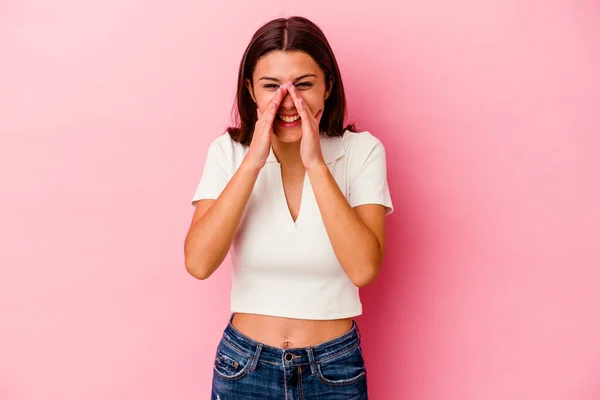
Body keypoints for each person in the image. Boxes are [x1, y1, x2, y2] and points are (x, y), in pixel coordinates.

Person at [184, 15, 393, 400]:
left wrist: (316, 163)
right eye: (270, 87)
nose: (288, 100)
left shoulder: (361, 153)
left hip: (334, 369)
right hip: (244, 366)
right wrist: (253, 161)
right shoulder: (227, 153)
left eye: (304, 85)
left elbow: (364, 269)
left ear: (328, 85)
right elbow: (198, 263)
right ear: (250, 90)